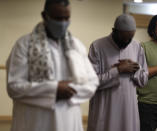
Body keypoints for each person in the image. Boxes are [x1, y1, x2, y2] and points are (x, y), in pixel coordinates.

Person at [6, 0, 99, 131]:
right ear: (45, 16)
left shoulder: (76, 45)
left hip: (68, 118)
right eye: (58, 18)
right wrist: (53, 89)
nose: (63, 23)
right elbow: (14, 87)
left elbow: (92, 83)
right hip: (35, 120)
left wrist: (69, 90)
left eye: (66, 18)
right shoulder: (24, 44)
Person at [87, 14, 149, 131]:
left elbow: (144, 80)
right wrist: (117, 70)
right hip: (104, 111)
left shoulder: (136, 47)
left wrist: (134, 71)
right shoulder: (97, 46)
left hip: (128, 113)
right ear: (114, 31)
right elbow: (91, 82)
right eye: (123, 38)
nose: (126, 42)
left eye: (130, 38)